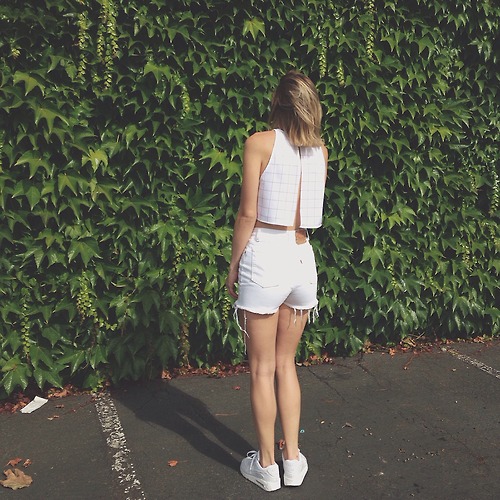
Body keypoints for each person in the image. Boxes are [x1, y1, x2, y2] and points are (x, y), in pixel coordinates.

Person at [225, 70, 328, 492]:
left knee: (261, 368)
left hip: (266, 256)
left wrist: (233, 264)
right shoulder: (320, 151)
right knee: (287, 364)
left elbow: (248, 213)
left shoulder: (259, 142)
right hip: (302, 258)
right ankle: (293, 460)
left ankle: (267, 466)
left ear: (277, 103)